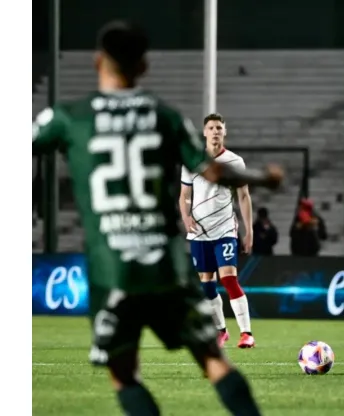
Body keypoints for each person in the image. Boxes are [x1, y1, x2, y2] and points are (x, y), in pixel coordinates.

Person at [31, 20, 283, 415]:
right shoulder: (163, 115)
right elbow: (214, 171)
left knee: (125, 375)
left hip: (113, 270)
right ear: (144, 67)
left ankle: (242, 330)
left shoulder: (69, 117)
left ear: (98, 61)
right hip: (166, 266)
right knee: (214, 363)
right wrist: (262, 178)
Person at [180, 113, 255, 349]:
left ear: (225, 132)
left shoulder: (234, 161)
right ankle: (221, 331)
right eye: (211, 127)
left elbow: (243, 196)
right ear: (204, 132)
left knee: (229, 278)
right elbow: (184, 196)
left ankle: (246, 333)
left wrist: (249, 230)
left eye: (219, 128)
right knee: (206, 283)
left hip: (224, 228)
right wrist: (186, 216)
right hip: (199, 232)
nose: (215, 131)